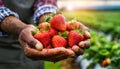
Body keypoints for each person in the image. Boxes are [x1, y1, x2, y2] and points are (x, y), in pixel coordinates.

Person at [0, 0, 91, 69]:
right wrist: (21, 29)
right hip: (3, 52)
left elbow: (46, 3)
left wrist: (51, 22)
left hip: (37, 45)